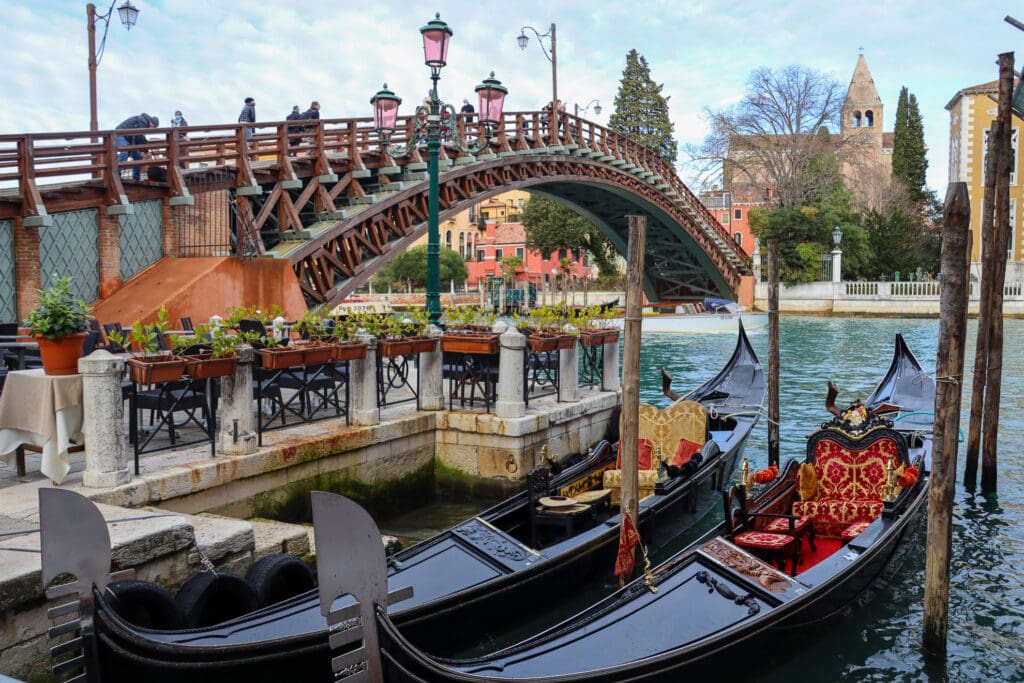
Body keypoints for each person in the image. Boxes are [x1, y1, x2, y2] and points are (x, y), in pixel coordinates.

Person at [115, 113, 158, 181]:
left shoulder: (143, 122)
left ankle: (136, 178)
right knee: (124, 152)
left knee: (138, 157)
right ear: (152, 125)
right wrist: (145, 150)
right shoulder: (142, 122)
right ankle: (116, 175)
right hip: (120, 135)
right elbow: (139, 136)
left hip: (129, 139)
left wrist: (142, 150)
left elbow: (138, 137)